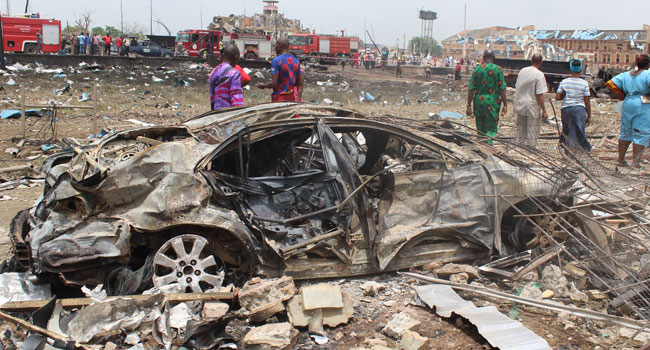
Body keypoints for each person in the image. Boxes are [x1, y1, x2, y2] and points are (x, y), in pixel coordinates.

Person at [608, 54, 650, 168]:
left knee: (626, 132)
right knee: (640, 132)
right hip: (642, 104)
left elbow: (611, 83)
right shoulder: (647, 74)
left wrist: (621, 95)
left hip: (628, 102)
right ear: (648, 65)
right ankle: (635, 164)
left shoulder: (626, 75)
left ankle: (621, 160)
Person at [467, 50, 508, 141]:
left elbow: (471, 88)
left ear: (483, 58)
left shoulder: (477, 69)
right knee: (491, 128)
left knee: (480, 128)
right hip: (492, 102)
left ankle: (481, 146)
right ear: (493, 58)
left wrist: (468, 105)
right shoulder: (498, 69)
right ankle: (488, 148)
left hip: (479, 102)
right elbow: (502, 88)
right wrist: (505, 104)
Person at [555, 59, 592, 152]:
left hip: (566, 109)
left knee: (567, 130)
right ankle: (577, 150)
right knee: (579, 131)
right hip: (580, 109)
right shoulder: (584, 83)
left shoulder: (564, 82)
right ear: (580, 70)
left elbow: (558, 97)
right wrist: (589, 116)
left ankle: (568, 150)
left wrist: (564, 94)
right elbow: (587, 101)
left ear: (570, 69)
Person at [513, 53, 548, 147]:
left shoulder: (522, 71)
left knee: (520, 127)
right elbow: (540, 94)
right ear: (541, 62)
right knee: (533, 129)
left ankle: (517, 147)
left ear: (531, 60)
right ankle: (531, 148)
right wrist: (544, 110)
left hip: (520, 103)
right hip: (532, 105)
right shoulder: (539, 74)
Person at [257, 38, 303, 102]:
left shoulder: (276, 61)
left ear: (279, 46)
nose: (275, 47)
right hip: (291, 98)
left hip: (279, 98)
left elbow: (274, 84)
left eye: (276, 45)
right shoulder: (296, 61)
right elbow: (299, 83)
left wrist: (264, 85)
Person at [208, 44, 244, 110]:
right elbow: (236, 98)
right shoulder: (234, 73)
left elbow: (212, 97)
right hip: (229, 114)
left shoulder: (213, 72)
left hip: (217, 113)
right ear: (236, 56)